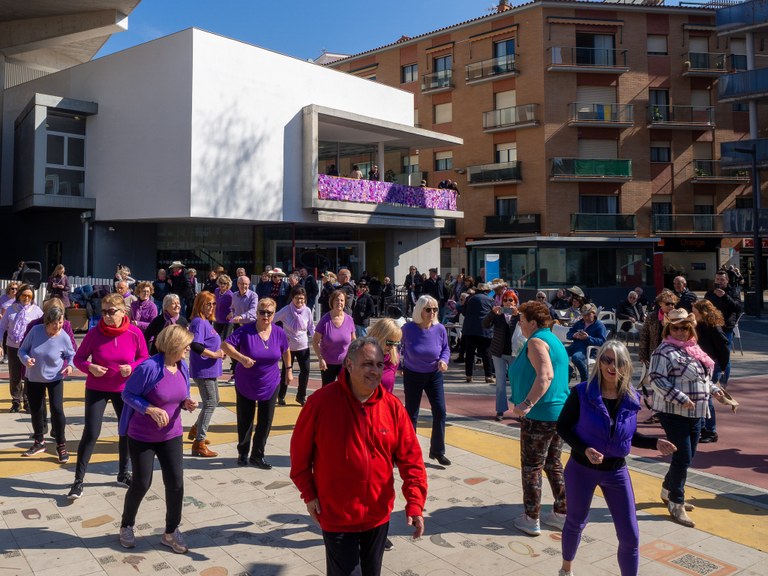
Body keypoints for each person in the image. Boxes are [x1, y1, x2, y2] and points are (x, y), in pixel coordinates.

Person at [290, 338, 427, 576]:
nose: (374, 371)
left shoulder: (392, 407)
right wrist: (309, 494)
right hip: (336, 515)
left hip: (377, 515)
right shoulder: (320, 403)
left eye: (378, 365)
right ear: (349, 365)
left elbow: (411, 459)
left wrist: (415, 503)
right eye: (367, 364)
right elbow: (299, 456)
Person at [557, 341, 677, 576]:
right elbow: (563, 427)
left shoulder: (631, 397)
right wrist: (584, 449)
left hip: (616, 472)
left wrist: (655, 443)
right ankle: (566, 569)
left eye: (619, 361)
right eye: (607, 360)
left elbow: (629, 435)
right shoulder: (582, 392)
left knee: (630, 535)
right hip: (581, 469)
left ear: (626, 365)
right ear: (599, 362)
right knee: (576, 521)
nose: (613, 366)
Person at [118, 325, 198, 553]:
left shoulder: (182, 367)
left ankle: (171, 532)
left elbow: (181, 395)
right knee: (142, 483)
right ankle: (126, 525)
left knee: (176, 484)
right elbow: (127, 394)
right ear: (174, 345)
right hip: (142, 436)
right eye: (186, 345)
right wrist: (150, 409)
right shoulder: (149, 367)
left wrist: (186, 403)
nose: (188, 349)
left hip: (171, 434)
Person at [69, 293, 149, 499]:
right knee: (91, 432)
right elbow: (78, 358)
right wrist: (90, 367)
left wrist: (131, 367)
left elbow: (144, 358)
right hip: (97, 387)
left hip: (125, 390)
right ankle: (78, 481)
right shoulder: (95, 333)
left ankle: (123, 473)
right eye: (103, 311)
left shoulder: (134, 333)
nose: (106, 316)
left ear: (123, 312)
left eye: (111, 312)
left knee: (126, 432)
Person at [650, 309, 724, 528]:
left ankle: (667, 489)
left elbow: (701, 378)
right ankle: (676, 501)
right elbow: (656, 378)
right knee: (682, 457)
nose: (681, 332)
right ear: (668, 329)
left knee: (687, 457)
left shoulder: (694, 349)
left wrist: (715, 390)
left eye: (685, 328)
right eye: (676, 328)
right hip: (674, 413)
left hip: (697, 412)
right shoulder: (664, 351)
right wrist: (679, 398)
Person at [509, 300, 569, 536]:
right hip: (557, 414)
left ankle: (531, 517)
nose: (520, 324)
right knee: (553, 464)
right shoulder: (553, 339)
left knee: (532, 466)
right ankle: (562, 513)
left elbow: (545, 376)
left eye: (522, 320)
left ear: (533, 322)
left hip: (540, 415)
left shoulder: (536, 341)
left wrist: (526, 404)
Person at [222, 298, 290, 469]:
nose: (265, 316)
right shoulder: (245, 331)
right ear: (257, 313)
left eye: (269, 313)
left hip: (271, 382)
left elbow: (286, 350)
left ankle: (258, 455)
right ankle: (243, 453)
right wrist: (241, 358)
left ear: (274, 314)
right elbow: (225, 345)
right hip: (246, 382)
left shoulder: (279, 332)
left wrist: (288, 369)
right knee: (245, 419)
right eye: (262, 312)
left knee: (265, 421)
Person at [18, 306, 76, 461]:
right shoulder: (36, 331)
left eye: (60, 322)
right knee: (36, 410)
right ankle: (39, 441)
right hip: (34, 378)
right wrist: (26, 360)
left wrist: (70, 366)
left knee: (57, 410)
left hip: (55, 378)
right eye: (54, 324)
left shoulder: (63, 336)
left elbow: (71, 355)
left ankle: (61, 444)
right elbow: (22, 350)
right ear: (46, 322)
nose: (57, 327)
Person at [401, 295, 451, 466]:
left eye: (435, 309)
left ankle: (437, 451)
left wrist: (444, 360)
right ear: (419, 310)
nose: (432, 313)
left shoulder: (440, 329)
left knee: (440, 411)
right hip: (412, 374)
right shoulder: (408, 328)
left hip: (434, 374)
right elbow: (399, 347)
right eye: (428, 309)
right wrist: (400, 366)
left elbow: (445, 348)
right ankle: (409, 453)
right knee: (411, 414)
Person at [187, 291, 225, 457]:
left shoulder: (205, 322)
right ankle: (199, 443)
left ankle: (196, 429)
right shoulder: (198, 323)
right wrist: (215, 354)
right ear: (200, 304)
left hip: (210, 369)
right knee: (210, 403)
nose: (211, 307)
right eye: (207, 304)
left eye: (213, 304)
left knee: (214, 400)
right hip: (203, 370)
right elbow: (195, 345)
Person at [0, 284, 43, 412]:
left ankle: (27, 401)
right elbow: (1, 328)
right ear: (19, 296)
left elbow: (43, 328)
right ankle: (16, 401)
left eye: (29, 296)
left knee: (28, 375)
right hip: (13, 347)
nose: (27, 298)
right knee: (14, 375)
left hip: (30, 348)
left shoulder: (37, 311)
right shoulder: (10, 309)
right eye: (24, 295)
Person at [691, 300, 730, 444]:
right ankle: (702, 427)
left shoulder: (713, 327)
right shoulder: (698, 325)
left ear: (703, 312)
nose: (693, 313)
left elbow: (724, 346)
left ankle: (711, 430)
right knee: (701, 396)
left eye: (695, 311)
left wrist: (723, 366)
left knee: (706, 397)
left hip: (712, 364)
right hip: (701, 363)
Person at [483, 289, 521, 422]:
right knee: (500, 382)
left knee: (516, 382)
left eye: (511, 300)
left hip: (514, 353)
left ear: (515, 302)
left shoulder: (519, 315)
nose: (508, 303)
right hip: (498, 352)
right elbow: (485, 324)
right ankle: (500, 410)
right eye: (505, 300)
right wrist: (492, 313)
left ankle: (519, 410)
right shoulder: (498, 314)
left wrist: (519, 315)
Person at [274, 287, 315, 406]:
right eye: (297, 298)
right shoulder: (286, 310)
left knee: (305, 371)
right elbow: (272, 319)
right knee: (285, 372)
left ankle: (301, 396)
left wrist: (316, 339)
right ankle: (281, 395)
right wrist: (279, 335)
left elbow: (311, 326)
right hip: (288, 348)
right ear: (292, 298)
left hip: (303, 345)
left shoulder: (307, 310)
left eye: (302, 298)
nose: (300, 301)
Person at [705, 270, 742, 387]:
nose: (719, 282)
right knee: (713, 355)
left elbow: (738, 308)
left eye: (722, 280)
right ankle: (713, 382)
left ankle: (723, 383)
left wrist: (725, 296)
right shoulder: (710, 293)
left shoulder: (733, 291)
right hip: (713, 328)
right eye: (717, 280)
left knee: (725, 355)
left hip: (726, 328)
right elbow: (705, 308)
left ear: (727, 280)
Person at [313, 290, 356, 386]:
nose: (339, 303)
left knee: (346, 391)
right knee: (328, 393)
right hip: (327, 364)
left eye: (342, 300)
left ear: (345, 302)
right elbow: (315, 342)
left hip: (344, 364)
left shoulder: (349, 319)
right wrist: (320, 359)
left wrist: (353, 359)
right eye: (337, 300)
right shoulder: (325, 320)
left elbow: (354, 341)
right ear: (332, 302)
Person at [460, 283, 495, 383]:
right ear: (486, 291)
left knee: (470, 353)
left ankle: (469, 375)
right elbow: (493, 314)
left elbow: (464, 312)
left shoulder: (470, 298)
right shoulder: (490, 300)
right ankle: (488, 376)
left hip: (469, 329)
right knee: (486, 353)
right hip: (485, 329)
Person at [566, 303, 607, 382]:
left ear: (593, 313)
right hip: (575, 345)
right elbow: (568, 335)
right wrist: (574, 335)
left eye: (588, 315)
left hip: (587, 349)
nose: (586, 317)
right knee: (559, 353)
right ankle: (570, 370)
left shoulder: (599, 325)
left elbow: (602, 341)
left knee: (576, 357)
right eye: (584, 315)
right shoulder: (579, 323)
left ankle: (585, 379)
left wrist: (588, 338)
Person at [367, 318, 402, 394]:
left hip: (383, 403)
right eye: (389, 343)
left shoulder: (393, 358)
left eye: (396, 343)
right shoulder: (361, 355)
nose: (392, 347)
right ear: (379, 337)